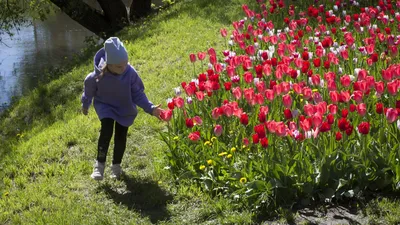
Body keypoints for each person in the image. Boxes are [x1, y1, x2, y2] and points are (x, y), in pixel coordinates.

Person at [81, 37, 162, 180]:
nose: (123, 68)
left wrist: (151, 108)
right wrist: (85, 104)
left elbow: (137, 93)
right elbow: (89, 90)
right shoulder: (97, 76)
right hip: (105, 106)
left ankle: (116, 166)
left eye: (125, 64)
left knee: (120, 136)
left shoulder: (129, 73)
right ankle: (99, 166)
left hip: (124, 107)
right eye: (119, 66)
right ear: (109, 64)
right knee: (106, 130)